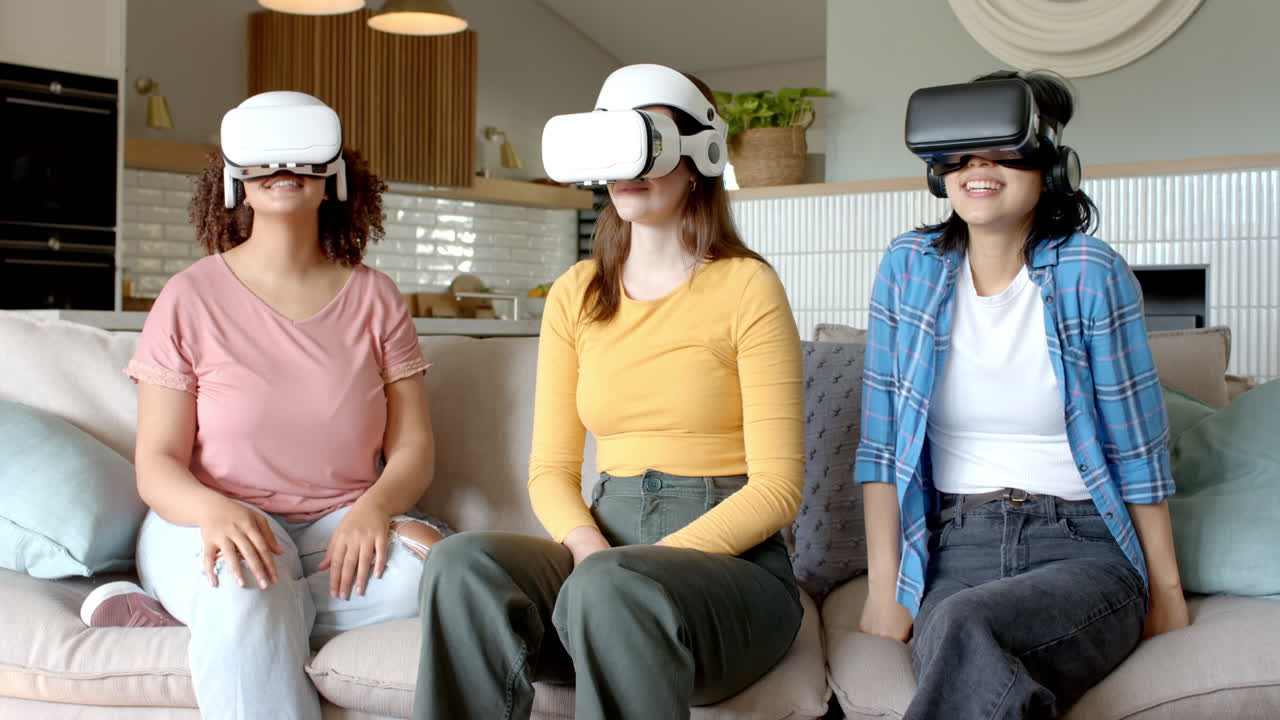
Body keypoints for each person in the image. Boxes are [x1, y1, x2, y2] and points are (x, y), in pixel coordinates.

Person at [411, 64, 805, 720]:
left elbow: (778, 489)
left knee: (617, 586)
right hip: (602, 557)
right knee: (460, 563)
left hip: (727, 579)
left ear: (699, 156)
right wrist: (589, 550)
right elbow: (550, 470)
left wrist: (631, 569)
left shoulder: (746, 287)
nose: (627, 166)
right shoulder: (574, 294)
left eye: (647, 145)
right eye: (614, 146)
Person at [79, 91, 448, 720]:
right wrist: (211, 511)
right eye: (264, 162)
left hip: (340, 525)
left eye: (303, 159)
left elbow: (411, 447)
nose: (284, 170)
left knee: (445, 576)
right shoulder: (188, 298)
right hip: (211, 518)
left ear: (332, 177)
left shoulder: (376, 298)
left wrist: (377, 507)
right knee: (248, 587)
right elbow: (158, 461)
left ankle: (200, 618)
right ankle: (231, 609)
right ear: (233, 181)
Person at [856, 70, 1190, 719]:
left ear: (1052, 166)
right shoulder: (908, 269)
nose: (978, 166)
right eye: (960, 150)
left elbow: (1138, 450)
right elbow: (881, 446)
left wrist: (1167, 589)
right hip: (954, 546)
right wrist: (883, 585)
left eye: (1002, 147)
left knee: (959, 629)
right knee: (960, 627)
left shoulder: (1090, 275)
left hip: (1084, 548)